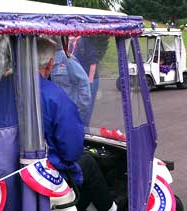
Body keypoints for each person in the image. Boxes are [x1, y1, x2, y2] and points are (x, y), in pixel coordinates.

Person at [37, 39, 117, 211]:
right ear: (50, 63)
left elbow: (83, 85)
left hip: (13, 170)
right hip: (45, 170)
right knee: (87, 162)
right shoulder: (55, 98)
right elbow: (71, 151)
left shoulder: (6, 90)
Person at [50, 38, 92, 127]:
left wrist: (76, 110)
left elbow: (83, 83)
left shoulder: (67, 58)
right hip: (52, 115)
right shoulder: (41, 60)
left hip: (66, 115)